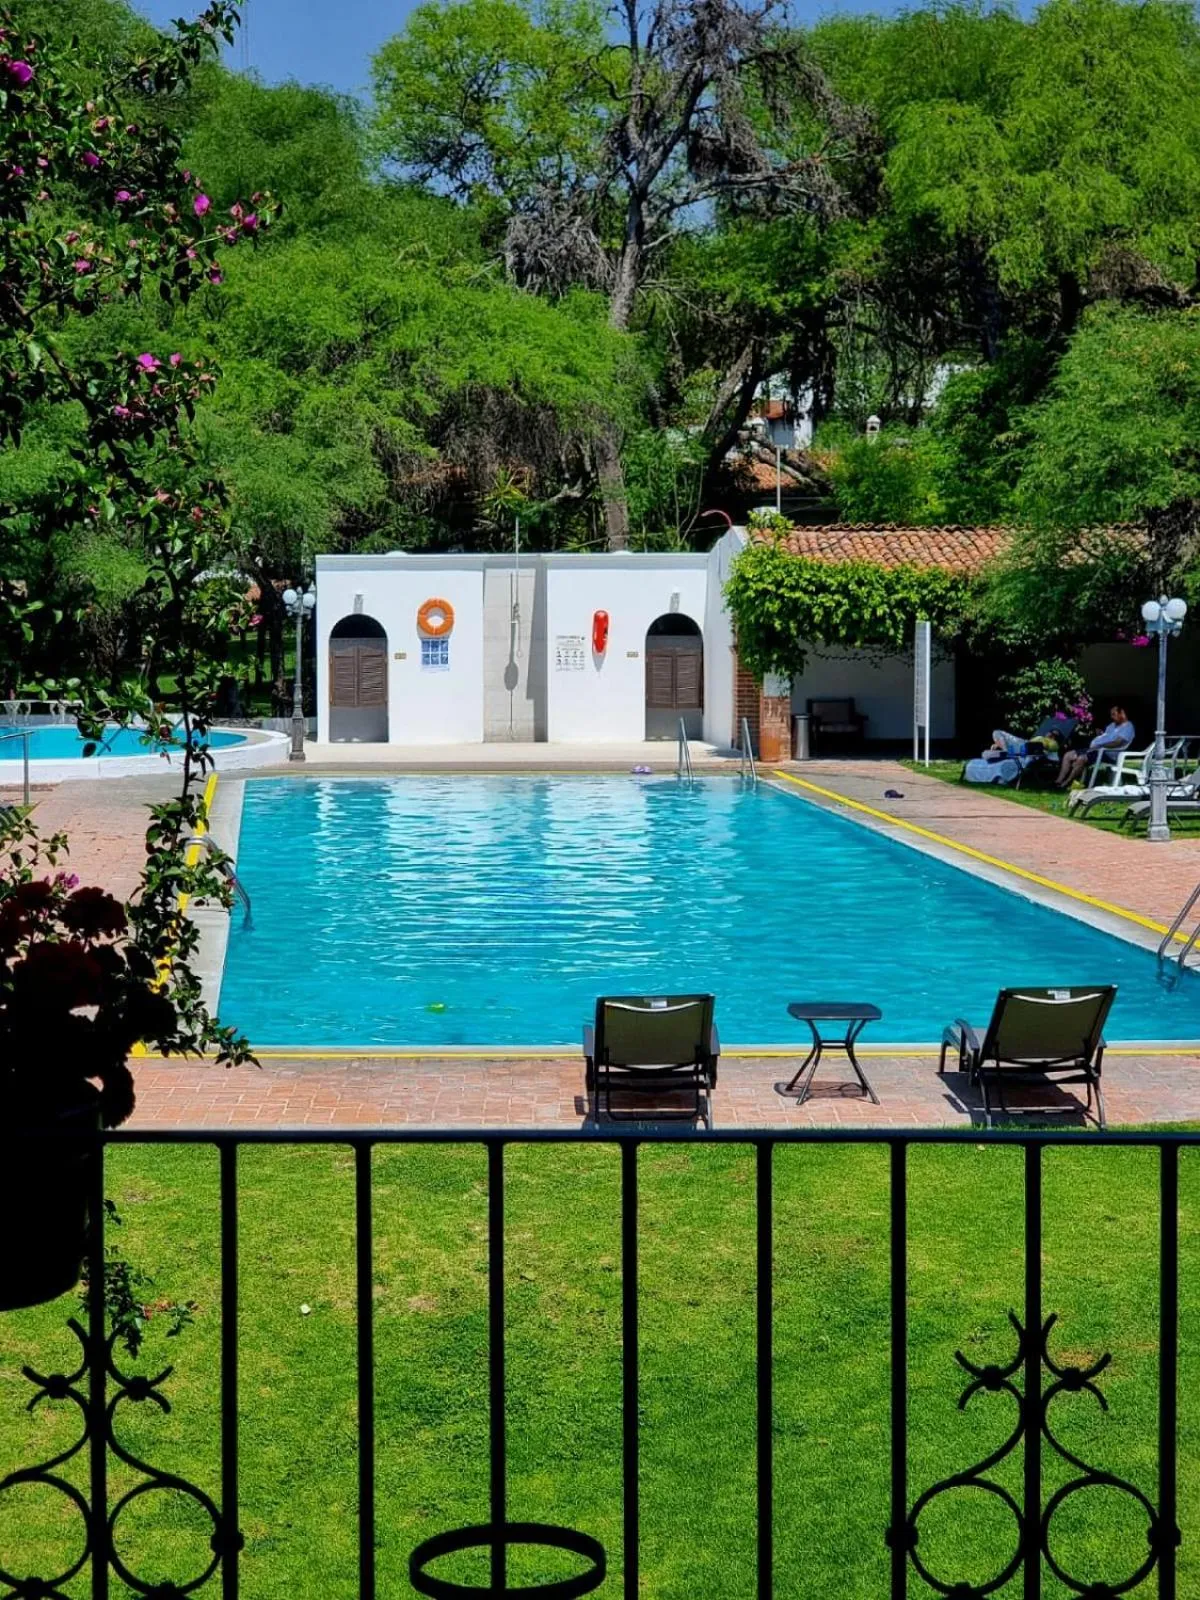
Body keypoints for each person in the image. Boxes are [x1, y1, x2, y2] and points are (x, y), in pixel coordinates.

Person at [1055, 704, 1135, 788]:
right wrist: (1101, 734)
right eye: (1111, 714)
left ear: (1122, 713)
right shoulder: (1112, 725)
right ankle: (1058, 781)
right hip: (1095, 749)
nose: (1112, 717)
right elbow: (1108, 736)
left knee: (1081, 758)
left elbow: (1119, 742)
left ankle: (1066, 783)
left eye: (1114, 714)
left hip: (1107, 753)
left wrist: (1101, 746)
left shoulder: (1128, 727)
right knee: (1068, 755)